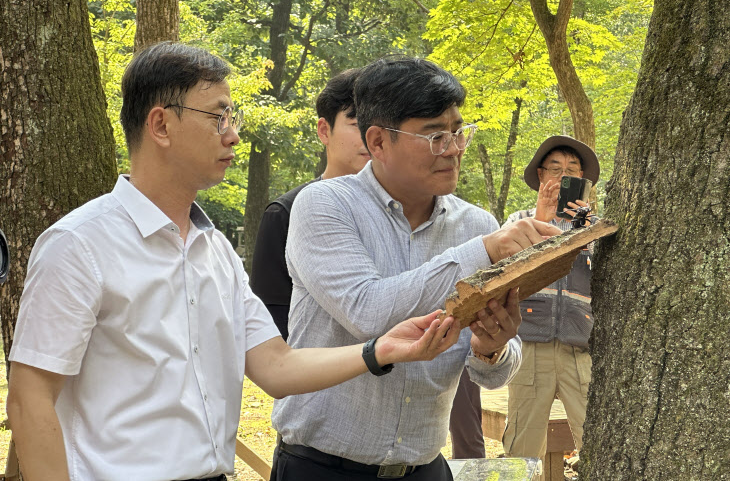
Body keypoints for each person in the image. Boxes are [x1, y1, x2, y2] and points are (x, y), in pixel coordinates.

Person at [5, 43, 464, 481]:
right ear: (161, 125)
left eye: (233, 116)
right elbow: (30, 398)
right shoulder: (79, 243)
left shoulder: (215, 250)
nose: (233, 133)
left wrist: (380, 350)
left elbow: (276, 368)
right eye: (218, 116)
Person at [270, 56, 562, 481]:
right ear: (378, 141)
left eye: (458, 132)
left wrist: (491, 347)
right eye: (435, 137)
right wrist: (484, 252)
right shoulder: (325, 205)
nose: (456, 148)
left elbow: (493, 374)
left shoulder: (476, 224)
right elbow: (366, 311)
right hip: (322, 466)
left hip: (425, 467)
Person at [501, 135, 600, 480]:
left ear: (584, 183)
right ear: (541, 176)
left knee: (598, 440)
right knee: (522, 447)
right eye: (555, 169)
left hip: (579, 347)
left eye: (572, 170)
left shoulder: (593, 229)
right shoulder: (519, 219)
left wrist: (588, 234)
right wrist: (542, 217)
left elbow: (606, 281)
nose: (563, 176)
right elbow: (504, 270)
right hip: (530, 347)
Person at [250, 68, 369, 339]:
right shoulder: (284, 214)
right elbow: (272, 329)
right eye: (358, 124)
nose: (372, 137)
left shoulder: (409, 210)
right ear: (324, 130)